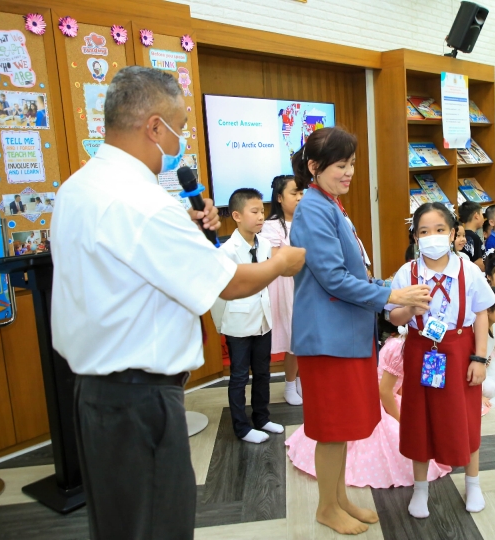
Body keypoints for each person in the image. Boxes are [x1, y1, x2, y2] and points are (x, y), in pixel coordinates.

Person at [50, 66, 305, 540]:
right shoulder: (143, 204)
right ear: (153, 127)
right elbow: (227, 283)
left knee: (120, 524)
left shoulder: (77, 188)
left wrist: (188, 232)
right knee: (156, 524)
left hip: (94, 394)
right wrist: (280, 263)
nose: (181, 140)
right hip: (140, 399)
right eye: (181, 128)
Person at [289, 126, 431, 535]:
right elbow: (333, 278)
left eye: (352, 164)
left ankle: (338, 498)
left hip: (345, 335)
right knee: (331, 429)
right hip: (328, 339)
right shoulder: (315, 209)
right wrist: (390, 293)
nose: (349, 172)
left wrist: (385, 291)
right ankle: (325, 507)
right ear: (315, 167)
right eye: (341, 165)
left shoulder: (329, 204)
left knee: (346, 425)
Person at [387, 202, 493, 519]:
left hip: (460, 348)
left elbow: (483, 315)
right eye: (423, 232)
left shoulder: (468, 270)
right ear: (415, 237)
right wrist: (410, 310)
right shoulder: (407, 273)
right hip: (422, 348)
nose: (432, 237)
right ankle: (420, 490)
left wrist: (480, 358)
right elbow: (393, 318)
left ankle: (472, 482)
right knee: (420, 418)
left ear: (453, 233)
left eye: (439, 230)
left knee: (465, 416)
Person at [285, 325, 452, 488]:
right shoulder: (402, 350)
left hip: (381, 393)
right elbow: (384, 392)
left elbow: (397, 384)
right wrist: (401, 421)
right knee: (403, 439)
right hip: (378, 398)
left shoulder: (395, 341)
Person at [210, 188, 283, 444]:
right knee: (240, 376)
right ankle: (241, 427)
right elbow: (219, 295)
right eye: (254, 212)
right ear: (237, 216)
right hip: (237, 323)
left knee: (263, 372)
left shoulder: (264, 244)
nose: (261, 216)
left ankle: (262, 417)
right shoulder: (227, 250)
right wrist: (222, 324)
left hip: (263, 319)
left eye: (262, 211)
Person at [260, 174, 304, 406]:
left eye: (301, 193)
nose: (299, 197)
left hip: (305, 284)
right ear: (279, 197)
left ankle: (299, 382)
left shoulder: (307, 221)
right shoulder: (271, 226)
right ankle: (289, 384)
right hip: (284, 286)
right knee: (291, 337)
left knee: (304, 338)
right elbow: (277, 257)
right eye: (294, 193)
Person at [457, 201, 485, 271]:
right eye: (482, 215)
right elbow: (478, 264)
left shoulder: (466, 236)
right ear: (476, 216)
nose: (483, 218)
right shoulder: (474, 238)